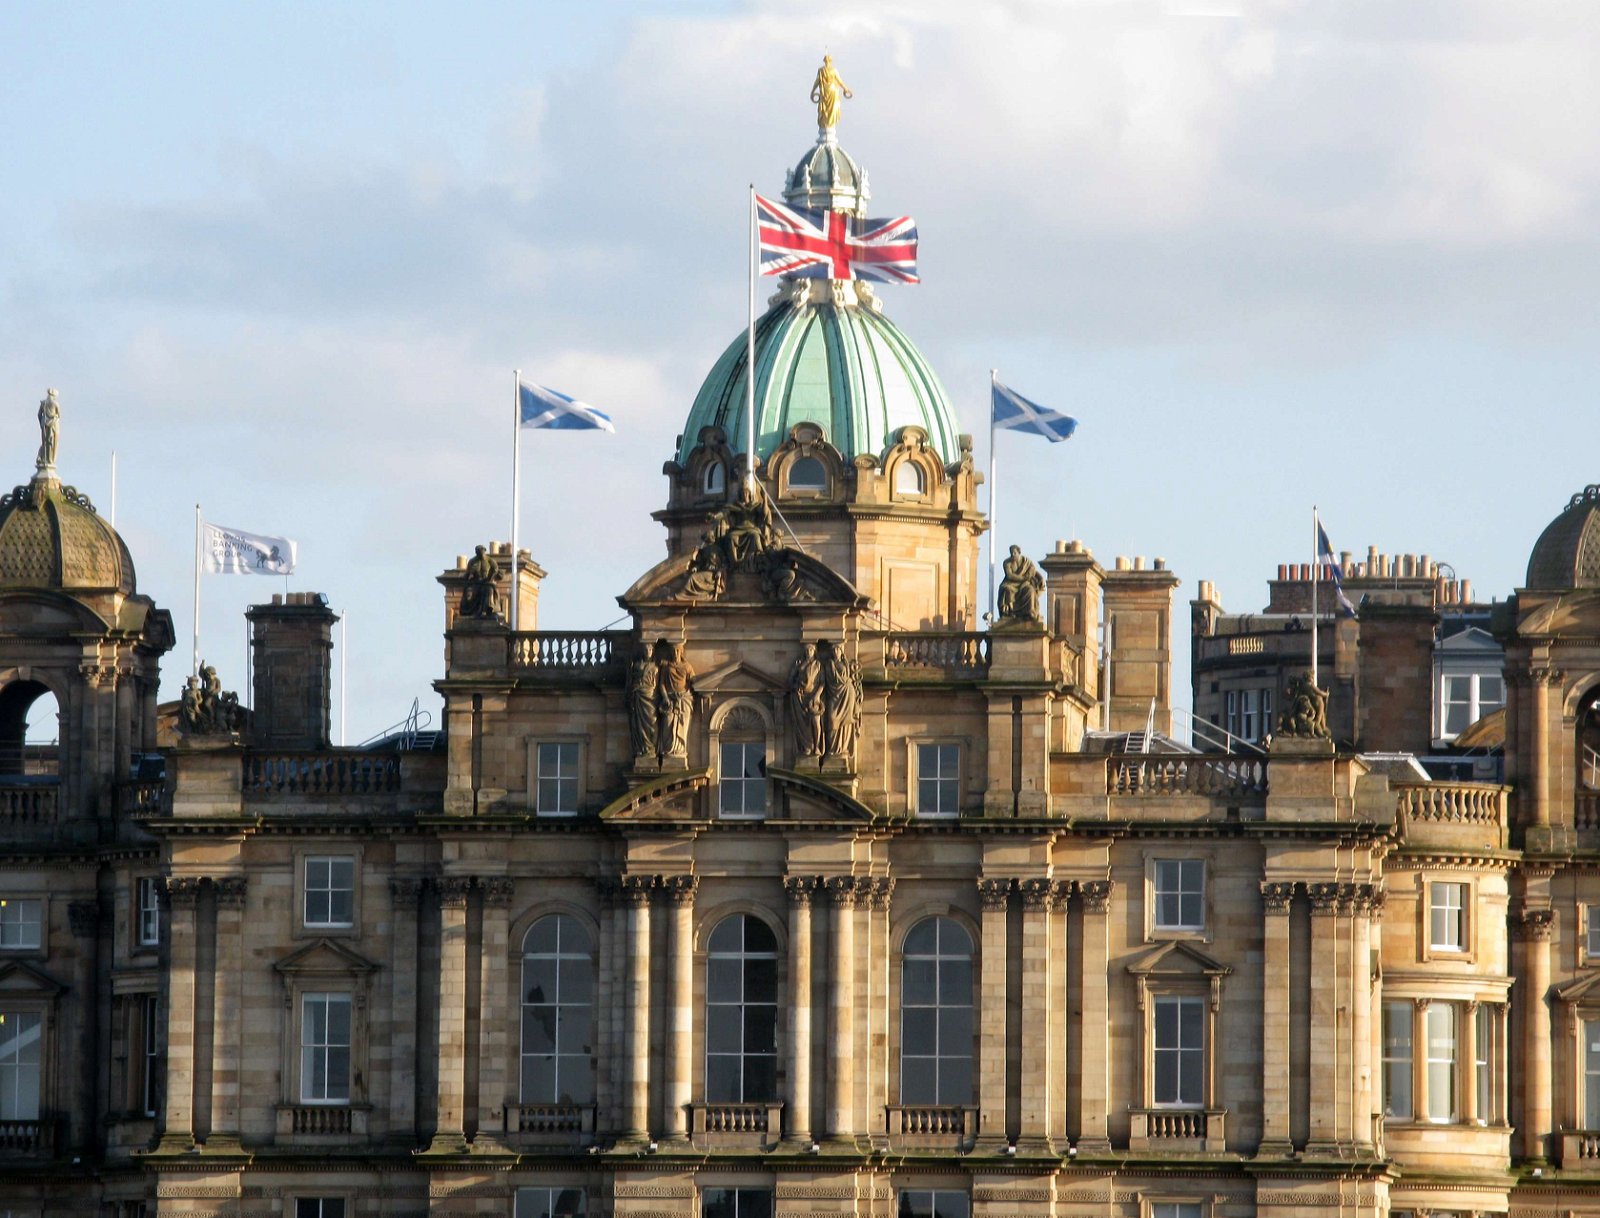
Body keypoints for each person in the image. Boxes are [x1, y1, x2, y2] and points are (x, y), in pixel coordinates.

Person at [789, 643, 825, 757]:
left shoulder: (818, 665)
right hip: (800, 697)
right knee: (803, 724)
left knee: (816, 723)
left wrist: (817, 696)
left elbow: (822, 683)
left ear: (814, 651)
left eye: (811, 649)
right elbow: (791, 680)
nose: (809, 651)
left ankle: (817, 746)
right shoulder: (800, 665)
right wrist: (795, 671)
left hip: (814, 698)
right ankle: (807, 747)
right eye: (807, 650)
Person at [997, 545, 1044, 622]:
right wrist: (1024, 578)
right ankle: (1010, 612)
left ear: (1019, 552)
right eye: (1011, 553)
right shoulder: (1007, 562)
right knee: (1006, 589)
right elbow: (1009, 575)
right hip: (1011, 583)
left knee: (1030, 590)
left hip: (1024, 584)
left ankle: (1030, 612)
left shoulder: (1026, 561)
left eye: (1015, 553)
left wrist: (1040, 578)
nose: (1013, 555)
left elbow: (1033, 571)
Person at [460, 545, 503, 620]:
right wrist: (469, 574)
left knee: (489, 589)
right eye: (478, 552)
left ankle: (487, 610)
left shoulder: (490, 560)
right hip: (475, 583)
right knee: (469, 591)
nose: (480, 553)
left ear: (484, 551)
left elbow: (496, 569)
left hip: (487, 582)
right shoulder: (472, 561)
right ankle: (468, 611)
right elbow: (467, 573)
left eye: (482, 551)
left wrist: (490, 578)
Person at [810, 54, 853, 129]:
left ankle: (827, 123)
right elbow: (839, 81)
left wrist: (813, 91)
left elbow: (817, 81)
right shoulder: (832, 70)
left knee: (827, 109)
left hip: (825, 92)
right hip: (832, 91)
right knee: (831, 109)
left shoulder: (821, 70)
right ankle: (827, 123)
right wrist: (845, 88)